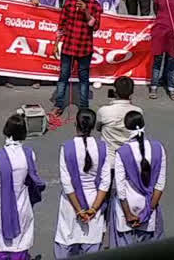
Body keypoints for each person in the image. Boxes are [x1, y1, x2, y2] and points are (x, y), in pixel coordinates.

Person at [0, 114, 46, 258]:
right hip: (22, 206)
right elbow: (33, 179)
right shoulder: (29, 154)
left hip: (0, 209)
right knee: (19, 246)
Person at [54, 109, 111, 258]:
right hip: (94, 202)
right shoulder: (103, 147)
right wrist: (93, 209)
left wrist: (79, 210)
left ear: (76, 124)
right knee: (92, 243)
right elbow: (105, 182)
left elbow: (67, 183)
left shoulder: (67, 147)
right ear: (93, 126)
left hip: (71, 204)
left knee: (66, 241)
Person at [110, 111, 166, 247]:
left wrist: (128, 213)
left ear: (126, 128)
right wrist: (148, 211)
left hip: (126, 208)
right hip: (148, 206)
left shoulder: (122, 152)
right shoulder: (158, 148)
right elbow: (160, 185)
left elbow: (120, 188)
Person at [50, 0, 102, 115]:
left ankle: (84, 108)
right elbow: (61, 25)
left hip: (84, 47)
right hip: (68, 46)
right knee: (63, 77)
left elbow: (95, 26)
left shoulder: (95, 5)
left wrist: (86, 11)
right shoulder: (69, 3)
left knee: (83, 79)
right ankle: (59, 105)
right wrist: (56, 44)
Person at [96, 77, 143, 171]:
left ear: (115, 92)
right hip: (129, 157)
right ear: (131, 92)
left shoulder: (104, 110)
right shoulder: (138, 111)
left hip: (109, 158)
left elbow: (98, 128)